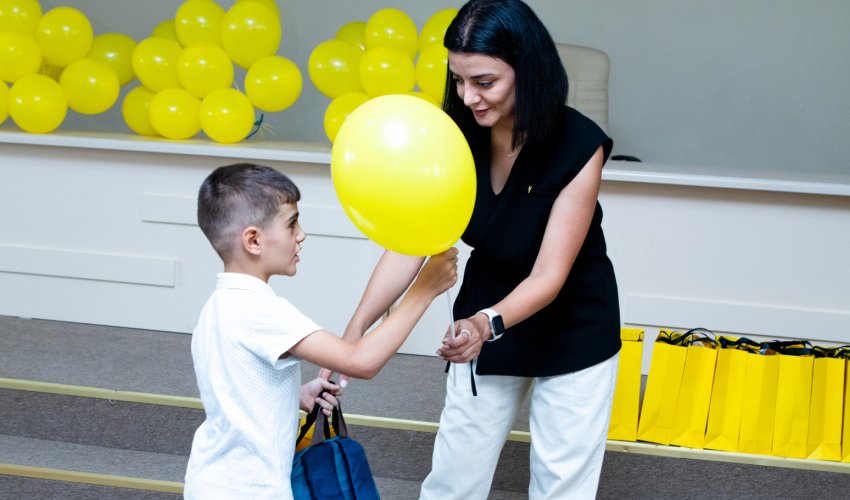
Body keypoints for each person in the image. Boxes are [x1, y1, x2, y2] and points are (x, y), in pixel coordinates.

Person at [321, 1, 621, 498]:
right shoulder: (455, 131)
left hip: (572, 322)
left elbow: (549, 275)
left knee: (560, 487)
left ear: (528, 69)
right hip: (484, 313)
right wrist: (350, 339)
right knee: (453, 481)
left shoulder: (578, 145)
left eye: (484, 82)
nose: (469, 96)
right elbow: (411, 242)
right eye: (459, 80)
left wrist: (487, 324)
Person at [183, 163, 458, 499]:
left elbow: (233, 392)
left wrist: (293, 397)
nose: (301, 234)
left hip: (209, 481)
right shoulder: (262, 310)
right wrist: (424, 290)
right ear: (253, 240)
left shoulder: (217, 306)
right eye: (291, 224)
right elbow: (361, 361)